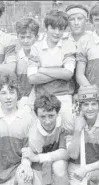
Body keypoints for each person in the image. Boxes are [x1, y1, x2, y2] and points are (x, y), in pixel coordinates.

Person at [21, 94, 73, 185]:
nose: (48, 121)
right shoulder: (34, 134)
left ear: (57, 113)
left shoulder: (65, 121)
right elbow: (33, 162)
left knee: (59, 166)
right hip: (41, 166)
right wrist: (27, 163)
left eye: (51, 115)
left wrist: (38, 157)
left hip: (61, 161)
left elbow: (66, 153)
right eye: (42, 116)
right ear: (36, 115)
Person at [27, 9, 76, 141]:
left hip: (64, 96)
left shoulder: (68, 45)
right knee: (41, 135)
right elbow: (32, 78)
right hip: (42, 98)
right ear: (46, 27)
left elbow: (68, 74)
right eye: (53, 28)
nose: (57, 32)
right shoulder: (36, 47)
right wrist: (59, 71)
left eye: (61, 29)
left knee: (68, 131)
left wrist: (42, 69)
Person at [14, 17, 40, 110]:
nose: (25, 41)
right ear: (17, 36)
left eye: (29, 37)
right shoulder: (14, 58)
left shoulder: (41, 57)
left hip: (38, 101)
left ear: (36, 37)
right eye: (22, 37)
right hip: (20, 102)